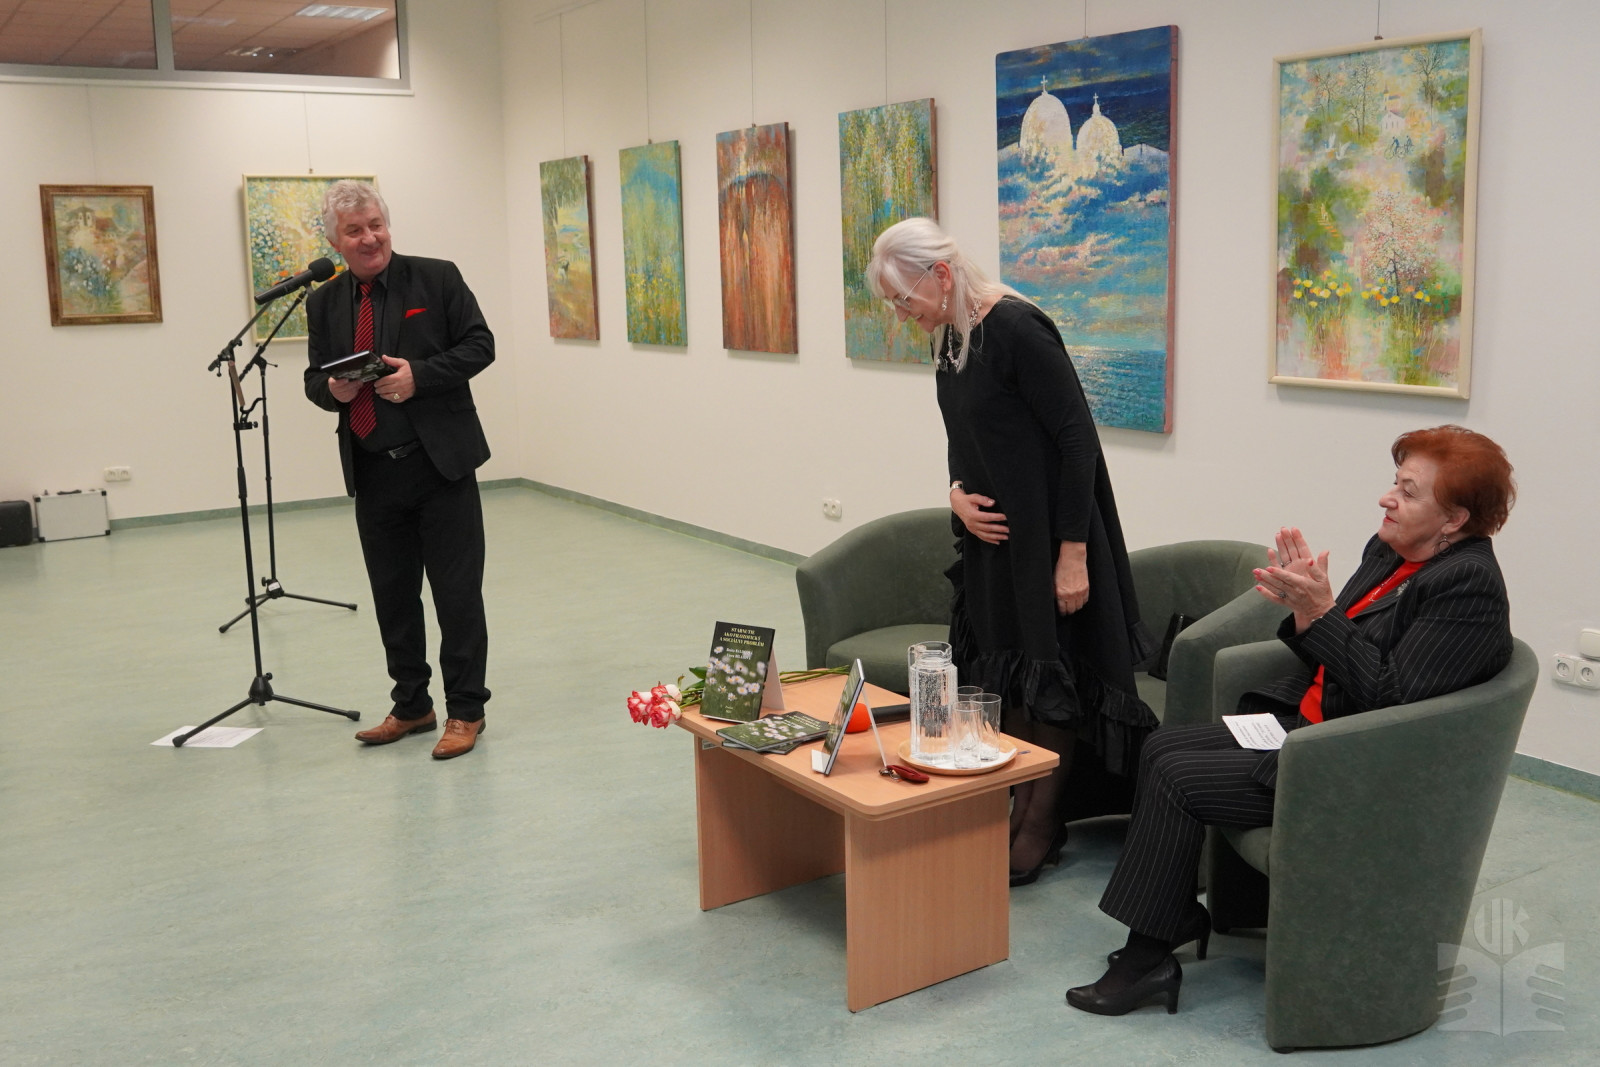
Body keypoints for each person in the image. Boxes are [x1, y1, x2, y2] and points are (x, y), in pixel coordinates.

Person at [1066, 425, 1516, 1016]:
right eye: (1394, 482)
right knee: (1162, 745)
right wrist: (1309, 610)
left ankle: (1147, 955)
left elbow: (1391, 698)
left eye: (1408, 492)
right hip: (1307, 728)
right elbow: (1340, 650)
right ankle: (1171, 917)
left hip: (1351, 762)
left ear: (1455, 518)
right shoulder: (1391, 550)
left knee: (1177, 775)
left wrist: (1321, 611)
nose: (1386, 498)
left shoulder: (1467, 586)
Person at [865, 217, 1159, 884]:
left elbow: (1079, 442)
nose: (901, 314)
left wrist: (1073, 553)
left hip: (1049, 540)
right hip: (992, 542)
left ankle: (1041, 824)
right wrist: (955, 496)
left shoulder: (1019, 329)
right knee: (1013, 681)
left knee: (1050, 680)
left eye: (903, 298)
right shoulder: (950, 338)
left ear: (941, 275)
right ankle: (1020, 808)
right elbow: (963, 434)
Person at [303, 180, 495, 759]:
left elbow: (480, 345)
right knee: (393, 597)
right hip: (372, 470)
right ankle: (412, 705)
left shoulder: (437, 278)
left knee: (456, 595)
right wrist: (333, 390)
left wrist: (420, 376)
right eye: (354, 231)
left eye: (376, 225)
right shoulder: (323, 302)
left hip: (440, 466)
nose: (370, 238)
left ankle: (466, 710)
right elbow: (314, 379)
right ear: (335, 243)